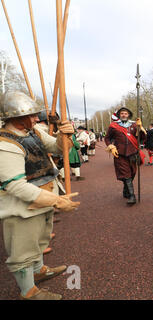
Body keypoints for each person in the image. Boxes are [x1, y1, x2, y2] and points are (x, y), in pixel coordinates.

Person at [0, 91, 80, 300]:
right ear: (17, 117)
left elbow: (56, 148)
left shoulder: (33, 131)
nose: (37, 118)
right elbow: (16, 186)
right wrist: (57, 201)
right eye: (32, 115)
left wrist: (65, 135)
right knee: (23, 249)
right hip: (22, 206)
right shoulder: (5, 145)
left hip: (43, 196)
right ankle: (29, 292)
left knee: (39, 239)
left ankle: (38, 270)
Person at [104, 107, 146, 205]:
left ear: (128, 115)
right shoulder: (113, 126)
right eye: (122, 113)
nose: (124, 115)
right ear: (119, 115)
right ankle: (132, 196)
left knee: (132, 173)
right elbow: (107, 138)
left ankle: (126, 189)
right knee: (126, 174)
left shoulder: (134, 125)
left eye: (126, 113)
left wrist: (140, 128)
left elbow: (142, 139)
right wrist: (110, 145)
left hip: (133, 153)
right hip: (120, 154)